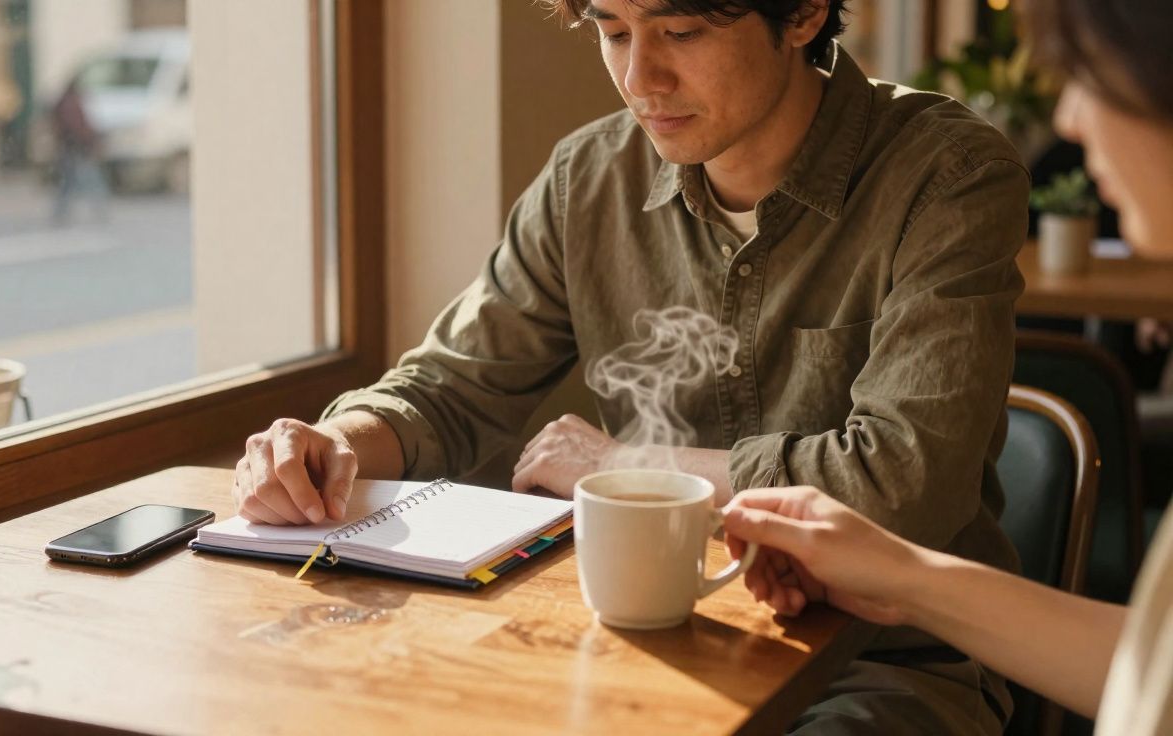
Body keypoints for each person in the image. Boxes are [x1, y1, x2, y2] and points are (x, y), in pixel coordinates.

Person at [236, 0, 1031, 730]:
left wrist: (629, 465)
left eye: (679, 32)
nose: (639, 79)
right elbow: (449, 387)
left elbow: (903, 487)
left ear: (803, 14)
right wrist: (333, 443)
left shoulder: (947, 178)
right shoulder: (589, 181)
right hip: (658, 639)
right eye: (614, 32)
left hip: (885, 658)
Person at [720, 0, 1173, 732]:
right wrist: (903, 577)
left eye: (1090, 78)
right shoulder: (587, 175)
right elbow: (1156, 671)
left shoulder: (950, 170)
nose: (1069, 120)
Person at [51, 78, 109, 226]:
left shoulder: (65, 103)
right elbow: (78, 127)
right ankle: (100, 209)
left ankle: (61, 212)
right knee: (89, 180)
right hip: (77, 148)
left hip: (70, 147)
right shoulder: (71, 104)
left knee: (68, 183)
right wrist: (91, 141)